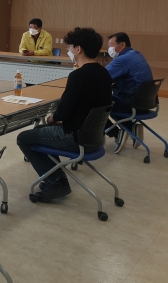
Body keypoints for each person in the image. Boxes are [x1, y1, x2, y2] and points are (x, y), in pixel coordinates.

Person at [17, 27, 112, 203]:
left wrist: (52, 118)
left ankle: (55, 182)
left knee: (24, 138)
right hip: (95, 137)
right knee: (40, 132)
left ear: (78, 49)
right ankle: (57, 180)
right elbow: (88, 107)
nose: (68, 50)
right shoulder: (104, 73)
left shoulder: (78, 75)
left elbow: (63, 112)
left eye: (69, 47)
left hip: (75, 138)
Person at [105, 32, 153, 153]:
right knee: (111, 103)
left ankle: (117, 133)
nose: (109, 48)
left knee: (95, 106)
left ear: (122, 45)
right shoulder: (136, 54)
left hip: (131, 104)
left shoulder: (123, 59)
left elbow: (102, 77)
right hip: (145, 104)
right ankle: (132, 129)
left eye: (111, 45)